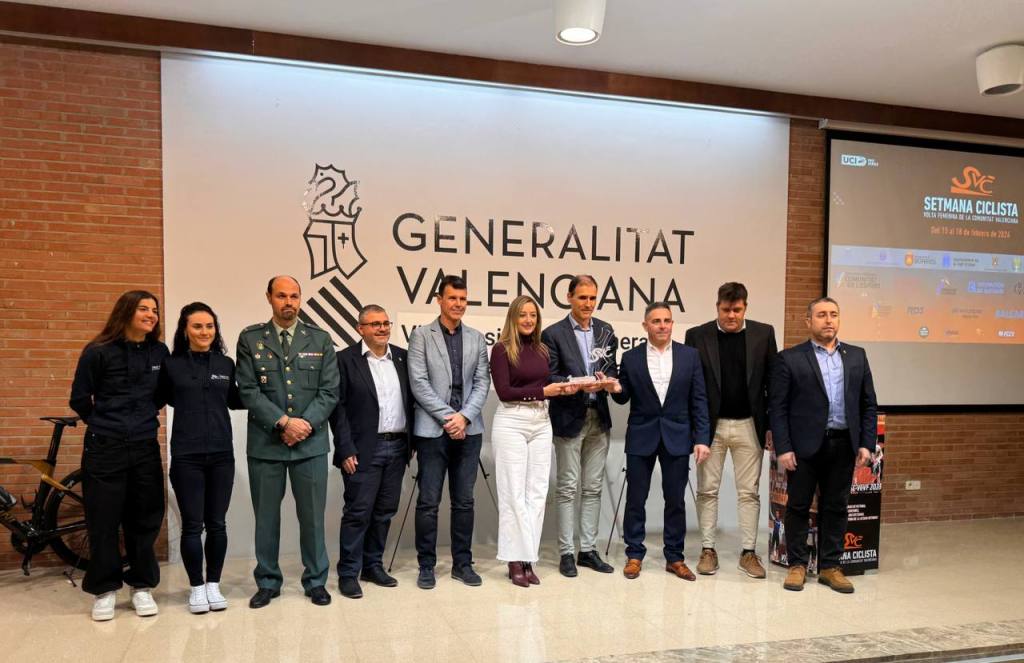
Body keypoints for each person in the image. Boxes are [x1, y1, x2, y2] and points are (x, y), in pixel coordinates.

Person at [236, 276, 339, 608]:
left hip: (310, 444)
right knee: (266, 518)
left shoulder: (320, 338)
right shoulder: (251, 339)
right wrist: (283, 422)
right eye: (281, 296)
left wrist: (303, 425)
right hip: (267, 444)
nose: (288, 302)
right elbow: (247, 389)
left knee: (313, 518)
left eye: (294, 296)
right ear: (269, 297)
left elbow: (329, 391)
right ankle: (268, 581)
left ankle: (316, 581)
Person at [69, 290, 169, 621]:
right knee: (103, 519)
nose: (151, 315)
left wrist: (138, 418)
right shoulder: (97, 351)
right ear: (125, 312)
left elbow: (161, 395)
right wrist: (104, 423)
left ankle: (142, 586)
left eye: (154, 310)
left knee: (145, 517)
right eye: (143, 309)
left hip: (144, 445)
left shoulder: (159, 352)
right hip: (104, 447)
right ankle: (105, 590)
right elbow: (79, 398)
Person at [770, 296, 877, 594]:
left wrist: (866, 443)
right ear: (808, 321)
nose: (828, 320)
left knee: (836, 506)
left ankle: (831, 566)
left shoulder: (857, 356)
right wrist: (784, 448)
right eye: (821, 315)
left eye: (833, 314)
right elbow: (778, 408)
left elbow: (868, 404)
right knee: (798, 506)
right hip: (803, 448)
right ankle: (797, 565)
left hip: (844, 445)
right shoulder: (790, 358)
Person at [609, 302, 710, 580]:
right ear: (645, 326)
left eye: (667, 320)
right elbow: (623, 397)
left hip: (678, 436)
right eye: (656, 321)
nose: (663, 325)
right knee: (636, 498)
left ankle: (675, 557)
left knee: (675, 500)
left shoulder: (690, 356)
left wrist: (702, 438)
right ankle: (634, 554)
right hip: (641, 435)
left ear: (672, 324)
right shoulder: (631, 358)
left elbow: (699, 399)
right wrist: (615, 387)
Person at [684, 282, 777, 579]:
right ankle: (707, 549)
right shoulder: (697, 335)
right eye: (726, 310)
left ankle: (748, 552)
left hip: (750, 425)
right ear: (717, 307)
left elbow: (773, 384)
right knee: (707, 490)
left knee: (749, 492)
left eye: (737, 310)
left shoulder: (764, 334)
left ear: (745, 307)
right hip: (710, 427)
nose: (731, 316)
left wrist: (771, 426)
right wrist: (696, 431)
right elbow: (692, 387)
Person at [157, 302, 243, 614]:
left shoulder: (226, 363)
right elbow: (159, 398)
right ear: (185, 330)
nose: (205, 332)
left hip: (222, 455)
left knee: (217, 524)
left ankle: (213, 585)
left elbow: (236, 400)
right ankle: (196, 587)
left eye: (209, 326)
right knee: (193, 526)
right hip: (187, 456)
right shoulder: (171, 365)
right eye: (197, 326)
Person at [408, 275, 491, 590]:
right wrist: (449, 418)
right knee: (428, 502)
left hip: (469, 431)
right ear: (439, 300)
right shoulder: (421, 336)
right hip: (433, 431)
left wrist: (464, 418)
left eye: (463, 299)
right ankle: (426, 566)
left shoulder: (476, 338)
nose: (458, 304)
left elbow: (482, 382)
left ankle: (462, 564)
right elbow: (419, 384)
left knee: (464, 501)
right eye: (452, 298)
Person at [489, 296, 576, 587]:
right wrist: (543, 392)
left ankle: (528, 558)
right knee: (513, 494)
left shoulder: (542, 349)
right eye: (523, 315)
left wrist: (562, 388)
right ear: (513, 318)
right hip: (512, 421)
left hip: (541, 421)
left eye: (533, 315)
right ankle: (514, 560)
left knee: (537, 493)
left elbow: (545, 384)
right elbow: (504, 392)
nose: (528, 320)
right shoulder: (501, 349)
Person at [328, 304, 413, 599]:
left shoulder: (402, 357)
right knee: (358, 512)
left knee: (385, 511)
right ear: (360, 328)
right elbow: (337, 409)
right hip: (363, 449)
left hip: (398, 446)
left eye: (386, 323)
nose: (382, 328)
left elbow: (412, 400)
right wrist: (345, 448)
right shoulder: (344, 360)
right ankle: (348, 573)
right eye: (375, 324)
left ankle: (372, 566)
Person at [541, 274, 619, 577]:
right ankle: (566, 553)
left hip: (599, 417)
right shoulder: (553, 334)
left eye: (592, 298)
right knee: (567, 488)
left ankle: (587, 550)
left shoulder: (606, 331)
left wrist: (608, 381)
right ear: (570, 298)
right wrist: (576, 382)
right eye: (582, 297)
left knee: (593, 488)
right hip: (569, 417)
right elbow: (550, 376)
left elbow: (612, 369)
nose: (588, 303)